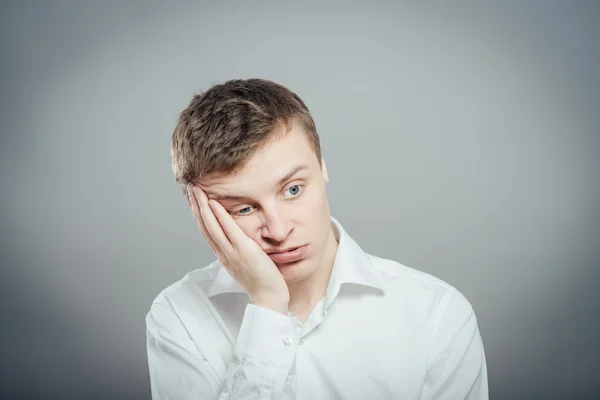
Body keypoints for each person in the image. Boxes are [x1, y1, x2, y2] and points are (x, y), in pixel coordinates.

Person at [146, 78, 489, 399]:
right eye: (243, 209)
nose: (278, 232)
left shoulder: (437, 316)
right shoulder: (178, 316)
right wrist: (267, 305)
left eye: (293, 189)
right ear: (202, 214)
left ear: (322, 167)